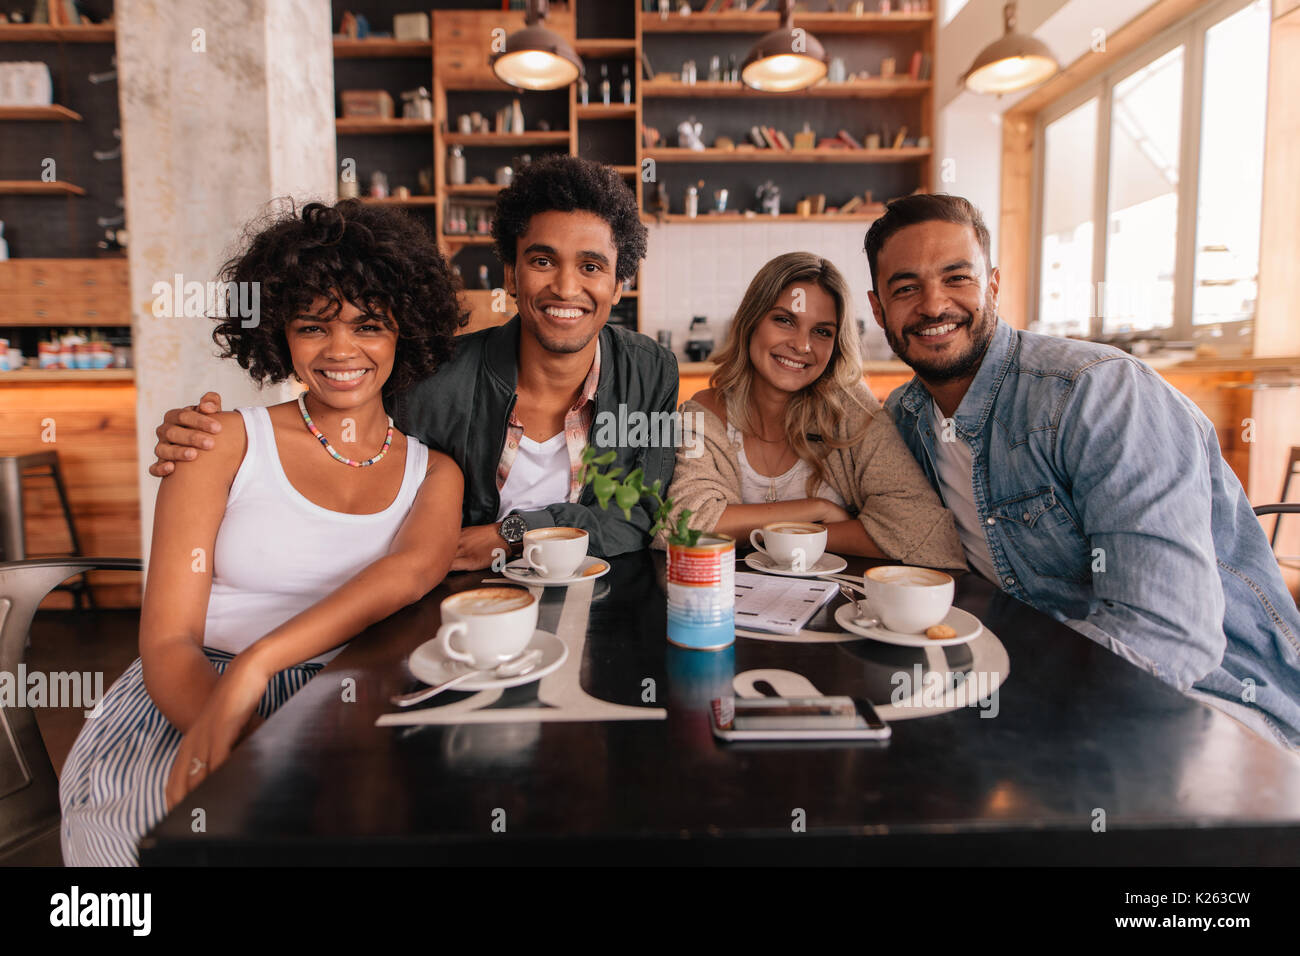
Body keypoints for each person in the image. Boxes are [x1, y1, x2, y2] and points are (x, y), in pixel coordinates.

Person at [59, 201, 466, 865]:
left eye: (369, 325)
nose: (340, 351)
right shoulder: (218, 442)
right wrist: (242, 720)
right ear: (280, 332)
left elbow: (410, 572)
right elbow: (167, 640)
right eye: (313, 326)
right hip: (189, 691)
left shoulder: (435, 474)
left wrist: (260, 664)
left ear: (404, 331)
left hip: (348, 702)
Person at [865, 192, 1300, 751]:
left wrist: (999, 703)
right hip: (1021, 682)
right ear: (879, 311)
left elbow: (1165, 636)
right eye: (906, 288)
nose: (933, 305)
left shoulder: (1097, 394)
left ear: (993, 285)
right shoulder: (905, 416)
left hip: (1209, 704)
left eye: (957, 278)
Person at [149, 156, 677, 569]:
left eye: (591, 266)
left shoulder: (651, 373)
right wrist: (219, 440)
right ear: (511, 277)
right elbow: (344, 435)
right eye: (542, 261)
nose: (566, 286)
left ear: (617, 284)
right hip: (450, 604)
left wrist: (511, 532)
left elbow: (641, 514)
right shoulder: (433, 378)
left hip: (600, 597)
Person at [663, 252, 965, 571]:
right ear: (750, 322)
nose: (802, 345)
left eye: (822, 331)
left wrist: (806, 533)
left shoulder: (850, 410)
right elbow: (681, 527)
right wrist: (813, 509)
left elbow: (926, 535)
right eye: (784, 320)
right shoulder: (704, 414)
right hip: (725, 604)